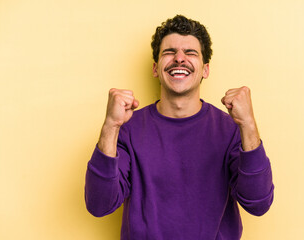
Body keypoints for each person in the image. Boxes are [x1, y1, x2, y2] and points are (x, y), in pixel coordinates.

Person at [85, 15, 274, 240]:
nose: (179, 59)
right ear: (156, 68)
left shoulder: (231, 129)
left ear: (205, 70)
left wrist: (248, 125)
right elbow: (99, 205)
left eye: (191, 53)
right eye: (169, 52)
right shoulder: (127, 129)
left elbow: (259, 203)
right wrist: (110, 125)